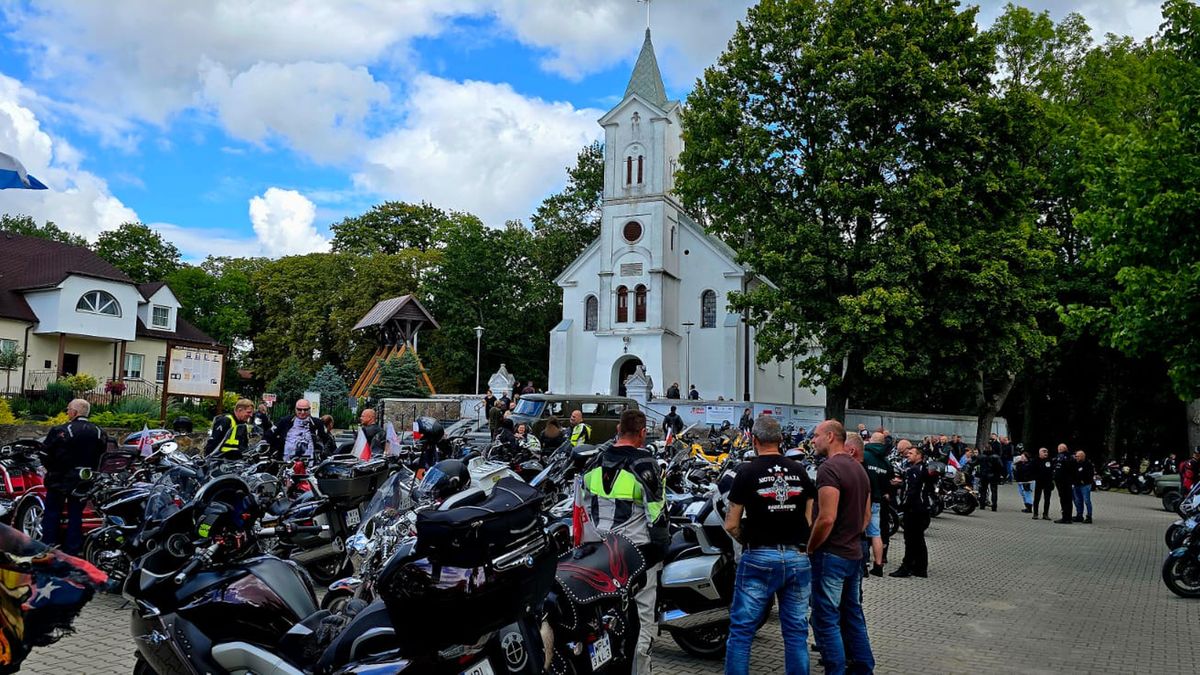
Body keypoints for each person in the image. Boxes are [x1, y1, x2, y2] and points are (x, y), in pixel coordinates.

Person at [723, 415, 815, 675]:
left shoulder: (746, 471)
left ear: (754, 440)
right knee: (796, 633)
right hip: (797, 556)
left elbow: (731, 523)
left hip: (760, 557)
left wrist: (747, 540)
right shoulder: (799, 470)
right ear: (781, 440)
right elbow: (809, 518)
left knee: (742, 632)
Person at [576, 409, 666, 673]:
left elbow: (580, 509)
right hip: (637, 557)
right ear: (642, 433)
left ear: (617, 429)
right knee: (642, 623)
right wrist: (659, 554)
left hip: (599, 557)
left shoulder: (594, 462)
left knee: (600, 624)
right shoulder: (646, 466)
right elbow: (658, 516)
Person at [808, 420, 874, 675]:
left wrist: (811, 547)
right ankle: (864, 668)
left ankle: (835, 670)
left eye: (816, 436)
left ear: (831, 436)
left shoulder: (829, 469)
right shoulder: (860, 470)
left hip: (831, 555)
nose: (813, 441)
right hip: (853, 554)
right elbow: (866, 517)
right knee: (853, 615)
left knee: (826, 619)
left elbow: (826, 517)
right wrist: (851, 535)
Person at [39, 399, 106, 555]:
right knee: (76, 514)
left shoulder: (61, 430)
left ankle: (47, 547)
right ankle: (73, 549)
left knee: (52, 513)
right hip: (84, 479)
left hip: (60, 479)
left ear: (75, 412)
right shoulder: (98, 432)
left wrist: (52, 469)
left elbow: (44, 453)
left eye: (68, 409)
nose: (67, 412)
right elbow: (102, 455)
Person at [891, 442, 935, 578]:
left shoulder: (913, 470)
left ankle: (906, 567)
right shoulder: (924, 469)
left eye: (911, 453)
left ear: (919, 456)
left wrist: (902, 506)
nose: (907, 455)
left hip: (914, 510)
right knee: (919, 539)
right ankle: (920, 568)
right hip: (923, 509)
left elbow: (912, 490)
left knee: (910, 539)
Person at [863, 432, 895, 577]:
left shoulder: (864, 456)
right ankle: (878, 565)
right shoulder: (886, 462)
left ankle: (862, 565)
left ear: (871, 440)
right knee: (876, 534)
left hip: (863, 501)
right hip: (877, 501)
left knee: (861, 534)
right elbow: (889, 481)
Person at [266, 399, 333, 460]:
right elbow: (269, 435)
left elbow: (327, 439)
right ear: (295, 409)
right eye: (299, 409)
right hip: (285, 462)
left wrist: (322, 452)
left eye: (305, 410)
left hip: (310, 463)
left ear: (310, 409)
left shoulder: (317, 423)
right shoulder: (284, 421)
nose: (302, 412)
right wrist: (273, 450)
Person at [1052, 443, 1077, 524]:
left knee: (1065, 499)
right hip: (1061, 482)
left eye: (1060, 449)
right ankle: (1067, 517)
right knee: (1065, 499)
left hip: (1065, 482)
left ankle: (1066, 517)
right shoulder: (1060, 457)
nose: (1059, 450)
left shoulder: (1068, 457)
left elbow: (1070, 469)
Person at [1073, 449, 1095, 524]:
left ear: (1082, 456)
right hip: (1076, 485)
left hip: (1085, 485)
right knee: (1078, 501)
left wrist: (1084, 481)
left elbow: (1090, 474)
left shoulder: (1088, 464)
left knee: (1087, 501)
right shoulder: (1076, 464)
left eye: (1078, 456)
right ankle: (1079, 515)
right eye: (1076, 456)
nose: (1076, 457)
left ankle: (1089, 516)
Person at [1032, 447, 1055, 520]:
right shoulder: (1035, 460)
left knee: (1047, 499)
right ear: (1040, 453)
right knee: (1037, 498)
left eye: (1046, 452)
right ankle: (1035, 514)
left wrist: (1052, 481)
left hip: (1048, 482)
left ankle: (1045, 514)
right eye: (1044, 452)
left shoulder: (1049, 460)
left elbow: (1052, 470)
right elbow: (1032, 470)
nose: (1046, 453)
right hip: (1039, 482)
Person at [978, 445, 1002, 511]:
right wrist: (999, 474)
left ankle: (982, 505)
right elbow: (1001, 466)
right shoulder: (996, 457)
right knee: (994, 491)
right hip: (993, 475)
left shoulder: (981, 456)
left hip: (984, 475)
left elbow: (975, 463)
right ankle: (994, 506)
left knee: (983, 491)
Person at [1013, 449, 1035, 513]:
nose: (1021, 458)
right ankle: (1026, 506)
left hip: (1027, 481)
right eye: (1021, 457)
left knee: (1027, 494)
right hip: (1020, 481)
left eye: (1023, 457)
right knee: (1022, 494)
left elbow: (1028, 472)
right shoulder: (1019, 463)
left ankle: (1029, 507)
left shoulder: (1029, 464)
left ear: (1026, 457)